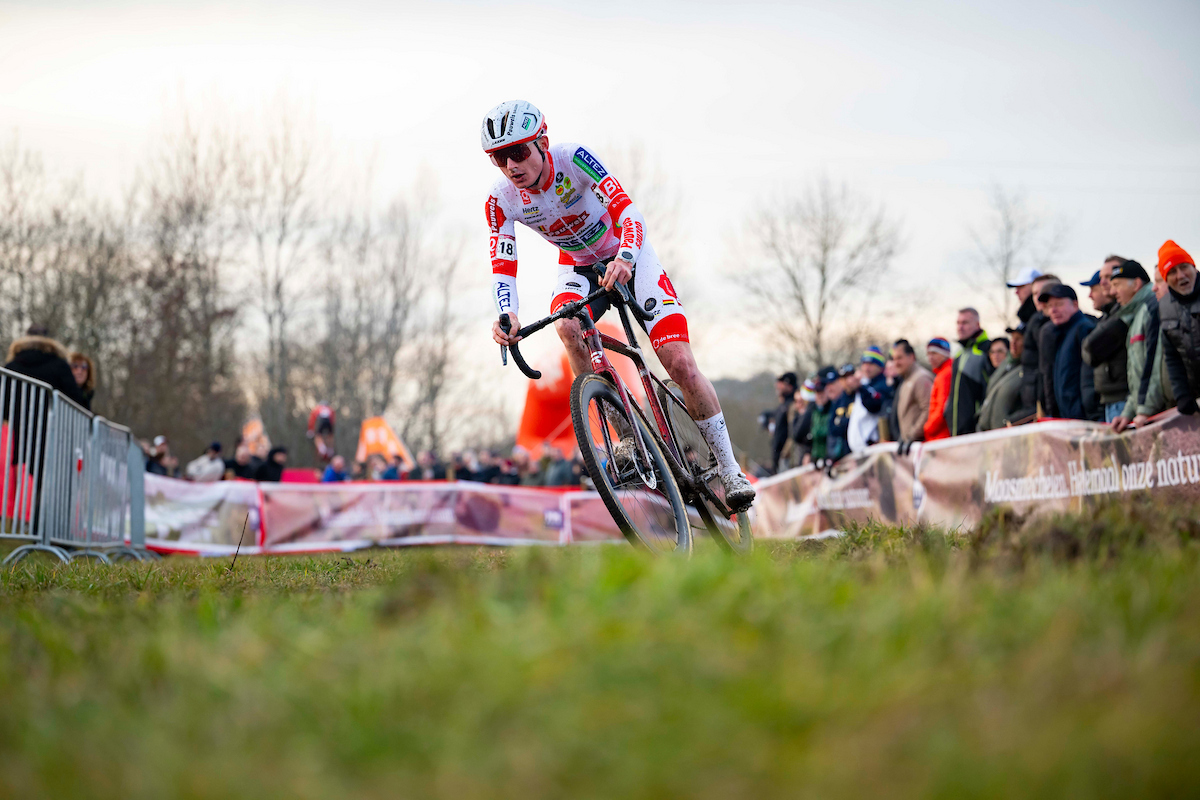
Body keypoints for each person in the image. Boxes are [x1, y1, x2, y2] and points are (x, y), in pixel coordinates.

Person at [482, 100, 754, 509]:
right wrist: (507, 313)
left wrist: (625, 257)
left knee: (678, 362)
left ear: (542, 142)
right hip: (577, 264)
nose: (510, 166)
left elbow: (629, 212)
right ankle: (623, 434)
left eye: (518, 152)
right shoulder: (501, 199)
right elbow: (502, 263)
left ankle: (730, 469)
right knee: (567, 326)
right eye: (498, 158)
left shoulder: (573, 159)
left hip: (629, 254)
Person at [1107, 261, 1160, 433]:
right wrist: (1128, 412)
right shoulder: (1136, 315)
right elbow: (1138, 375)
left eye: (1116, 285)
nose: (1112, 291)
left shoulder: (1152, 310)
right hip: (1144, 413)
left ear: (1136, 284)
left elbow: (1155, 367)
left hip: (1156, 414)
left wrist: (1145, 409)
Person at [1039, 284, 1100, 421]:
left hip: (1083, 418)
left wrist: (1086, 412)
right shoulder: (1062, 333)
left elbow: (1089, 377)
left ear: (1075, 304)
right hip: (1068, 417)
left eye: (1059, 304)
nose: (1053, 310)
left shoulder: (1083, 329)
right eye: (1049, 306)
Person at [1081, 261, 1130, 424]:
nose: (1103, 283)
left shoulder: (1123, 315)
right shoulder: (1108, 316)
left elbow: (1091, 349)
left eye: (1108, 277)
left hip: (1123, 399)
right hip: (1109, 399)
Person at [1155, 240, 1200, 418]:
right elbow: (1172, 355)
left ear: (1193, 267)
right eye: (1172, 272)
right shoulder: (1165, 307)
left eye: (1184, 267)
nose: (1180, 276)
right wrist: (1181, 394)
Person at [1009, 274, 1060, 423]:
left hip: (1051, 403)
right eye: (1035, 294)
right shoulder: (1034, 321)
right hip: (1035, 402)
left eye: (1043, 293)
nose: (1039, 299)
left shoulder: (1055, 325)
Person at [946, 308, 992, 435]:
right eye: (958, 323)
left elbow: (990, 391)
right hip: (956, 430)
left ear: (977, 324)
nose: (960, 327)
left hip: (975, 432)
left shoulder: (987, 350)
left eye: (965, 323)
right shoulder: (959, 355)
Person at [890, 340, 933, 444]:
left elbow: (928, 409)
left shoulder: (920, 378)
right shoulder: (906, 380)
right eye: (894, 359)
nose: (896, 363)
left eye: (900, 358)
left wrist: (912, 435)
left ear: (911, 357)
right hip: (911, 446)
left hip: (921, 445)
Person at [845, 349, 888, 454]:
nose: (866, 368)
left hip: (872, 448)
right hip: (860, 450)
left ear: (879, 366)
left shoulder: (882, 384)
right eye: (864, 364)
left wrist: (860, 387)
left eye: (871, 364)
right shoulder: (865, 383)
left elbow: (873, 406)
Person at [793, 368, 837, 466]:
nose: (819, 396)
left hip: (830, 460)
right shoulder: (815, 412)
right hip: (815, 460)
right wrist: (808, 452)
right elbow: (798, 435)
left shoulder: (832, 408)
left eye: (821, 392)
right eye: (817, 393)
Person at [768, 372, 799, 473]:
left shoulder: (792, 405)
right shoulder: (782, 405)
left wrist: (784, 454)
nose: (778, 386)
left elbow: (792, 433)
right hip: (778, 455)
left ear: (789, 385)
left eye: (781, 383)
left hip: (786, 458)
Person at [923, 338, 953, 441]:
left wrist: (927, 428)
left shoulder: (945, 375)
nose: (930, 358)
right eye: (928, 354)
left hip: (941, 436)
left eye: (934, 353)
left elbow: (942, 408)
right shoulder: (942, 373)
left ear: (945, 354)